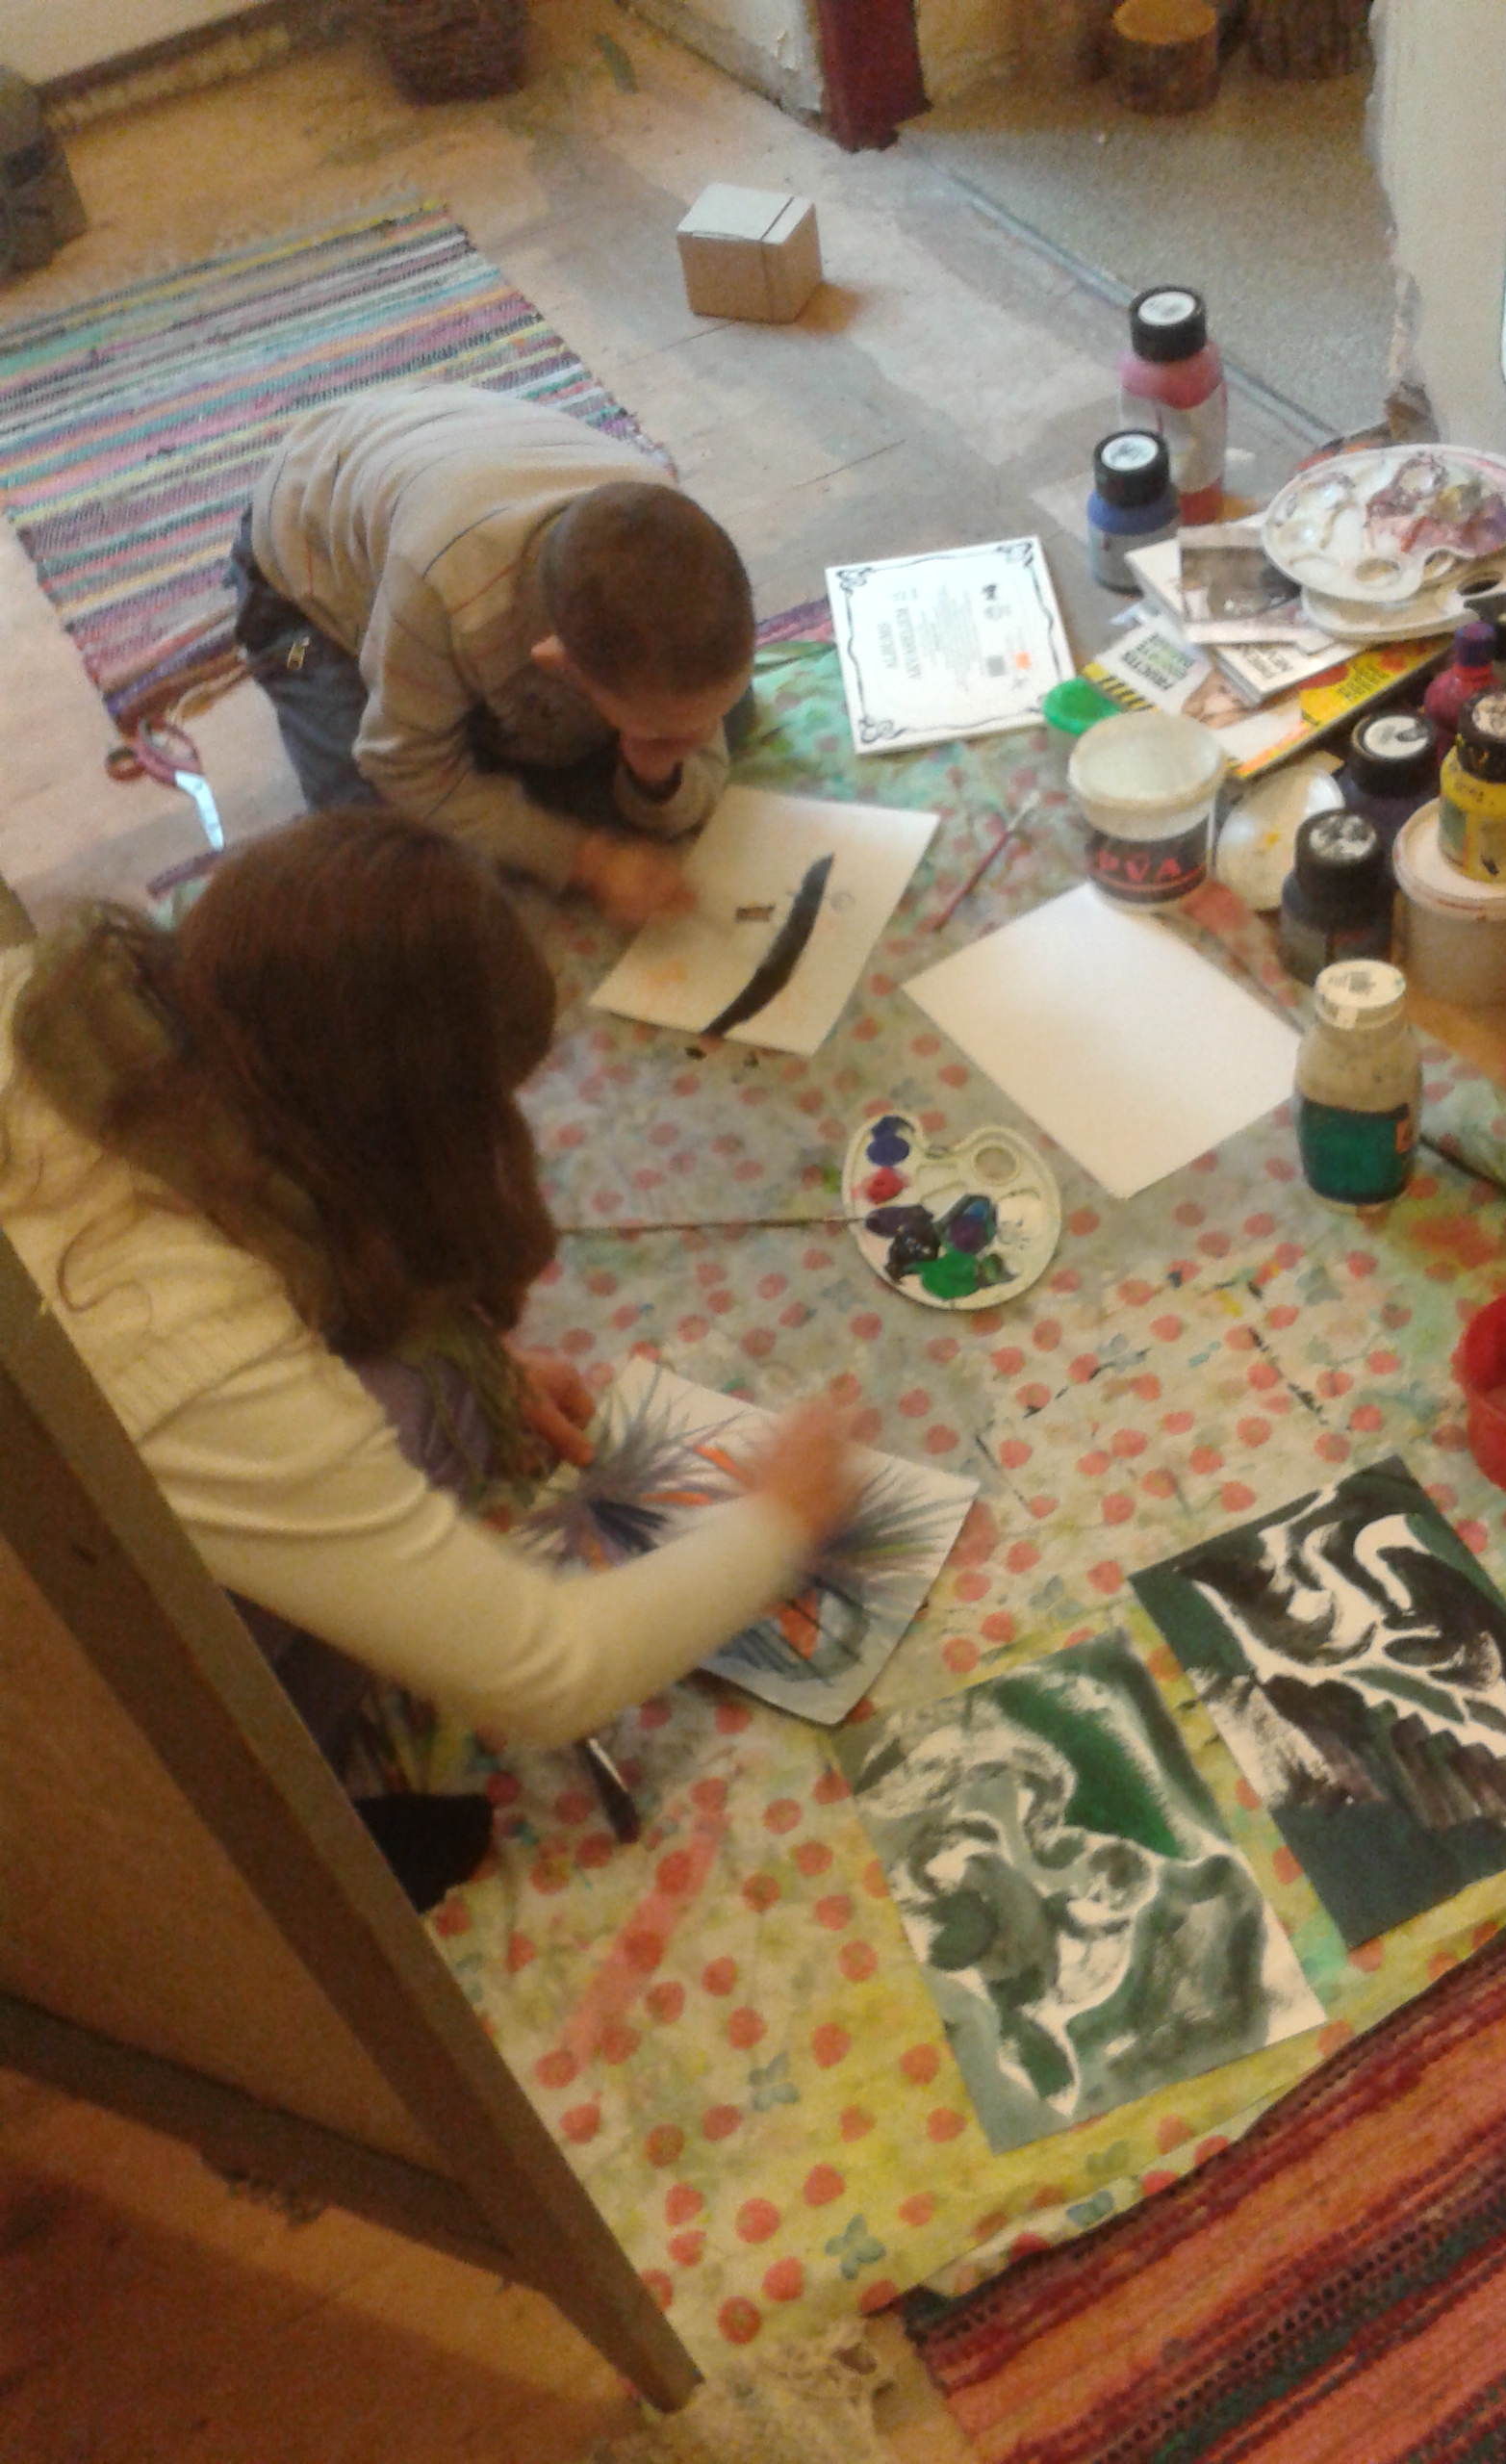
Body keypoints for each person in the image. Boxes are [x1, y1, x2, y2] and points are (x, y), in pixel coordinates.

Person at [0, 810, 855, 1889]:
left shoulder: (65, 1004)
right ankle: (257, 1809)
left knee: (422, 1394)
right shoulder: (190, 1346)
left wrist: (475, 1373)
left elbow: (310, 1242)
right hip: (51, 1720)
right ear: (395, 1129)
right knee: (362, 1495)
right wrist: (778, 1521)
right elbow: (551, 1675)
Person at [231, 385, 759, 930]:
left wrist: (657, 772)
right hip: (308, 560)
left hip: (452, 464)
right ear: (558, 662)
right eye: (665, 731)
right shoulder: (442, 591)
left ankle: (545, 750)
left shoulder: (676, 529)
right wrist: (587, 859)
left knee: (727, 718)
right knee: (379, 856)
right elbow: (402, 765)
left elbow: (691, 731)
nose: (700, 736)